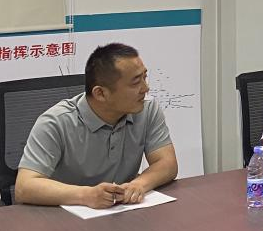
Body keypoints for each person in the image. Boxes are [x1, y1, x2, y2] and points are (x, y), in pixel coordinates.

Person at [15, 43, 178, 207]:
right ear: (100, 93)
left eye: (144, 77)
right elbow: (24, 187)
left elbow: (167, 163)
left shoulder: (146, 109)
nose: (146, 88)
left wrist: (138, 185)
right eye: (135, 82)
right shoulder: (56, 122)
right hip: (64, 215)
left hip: (122, 212)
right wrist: (86, 195)